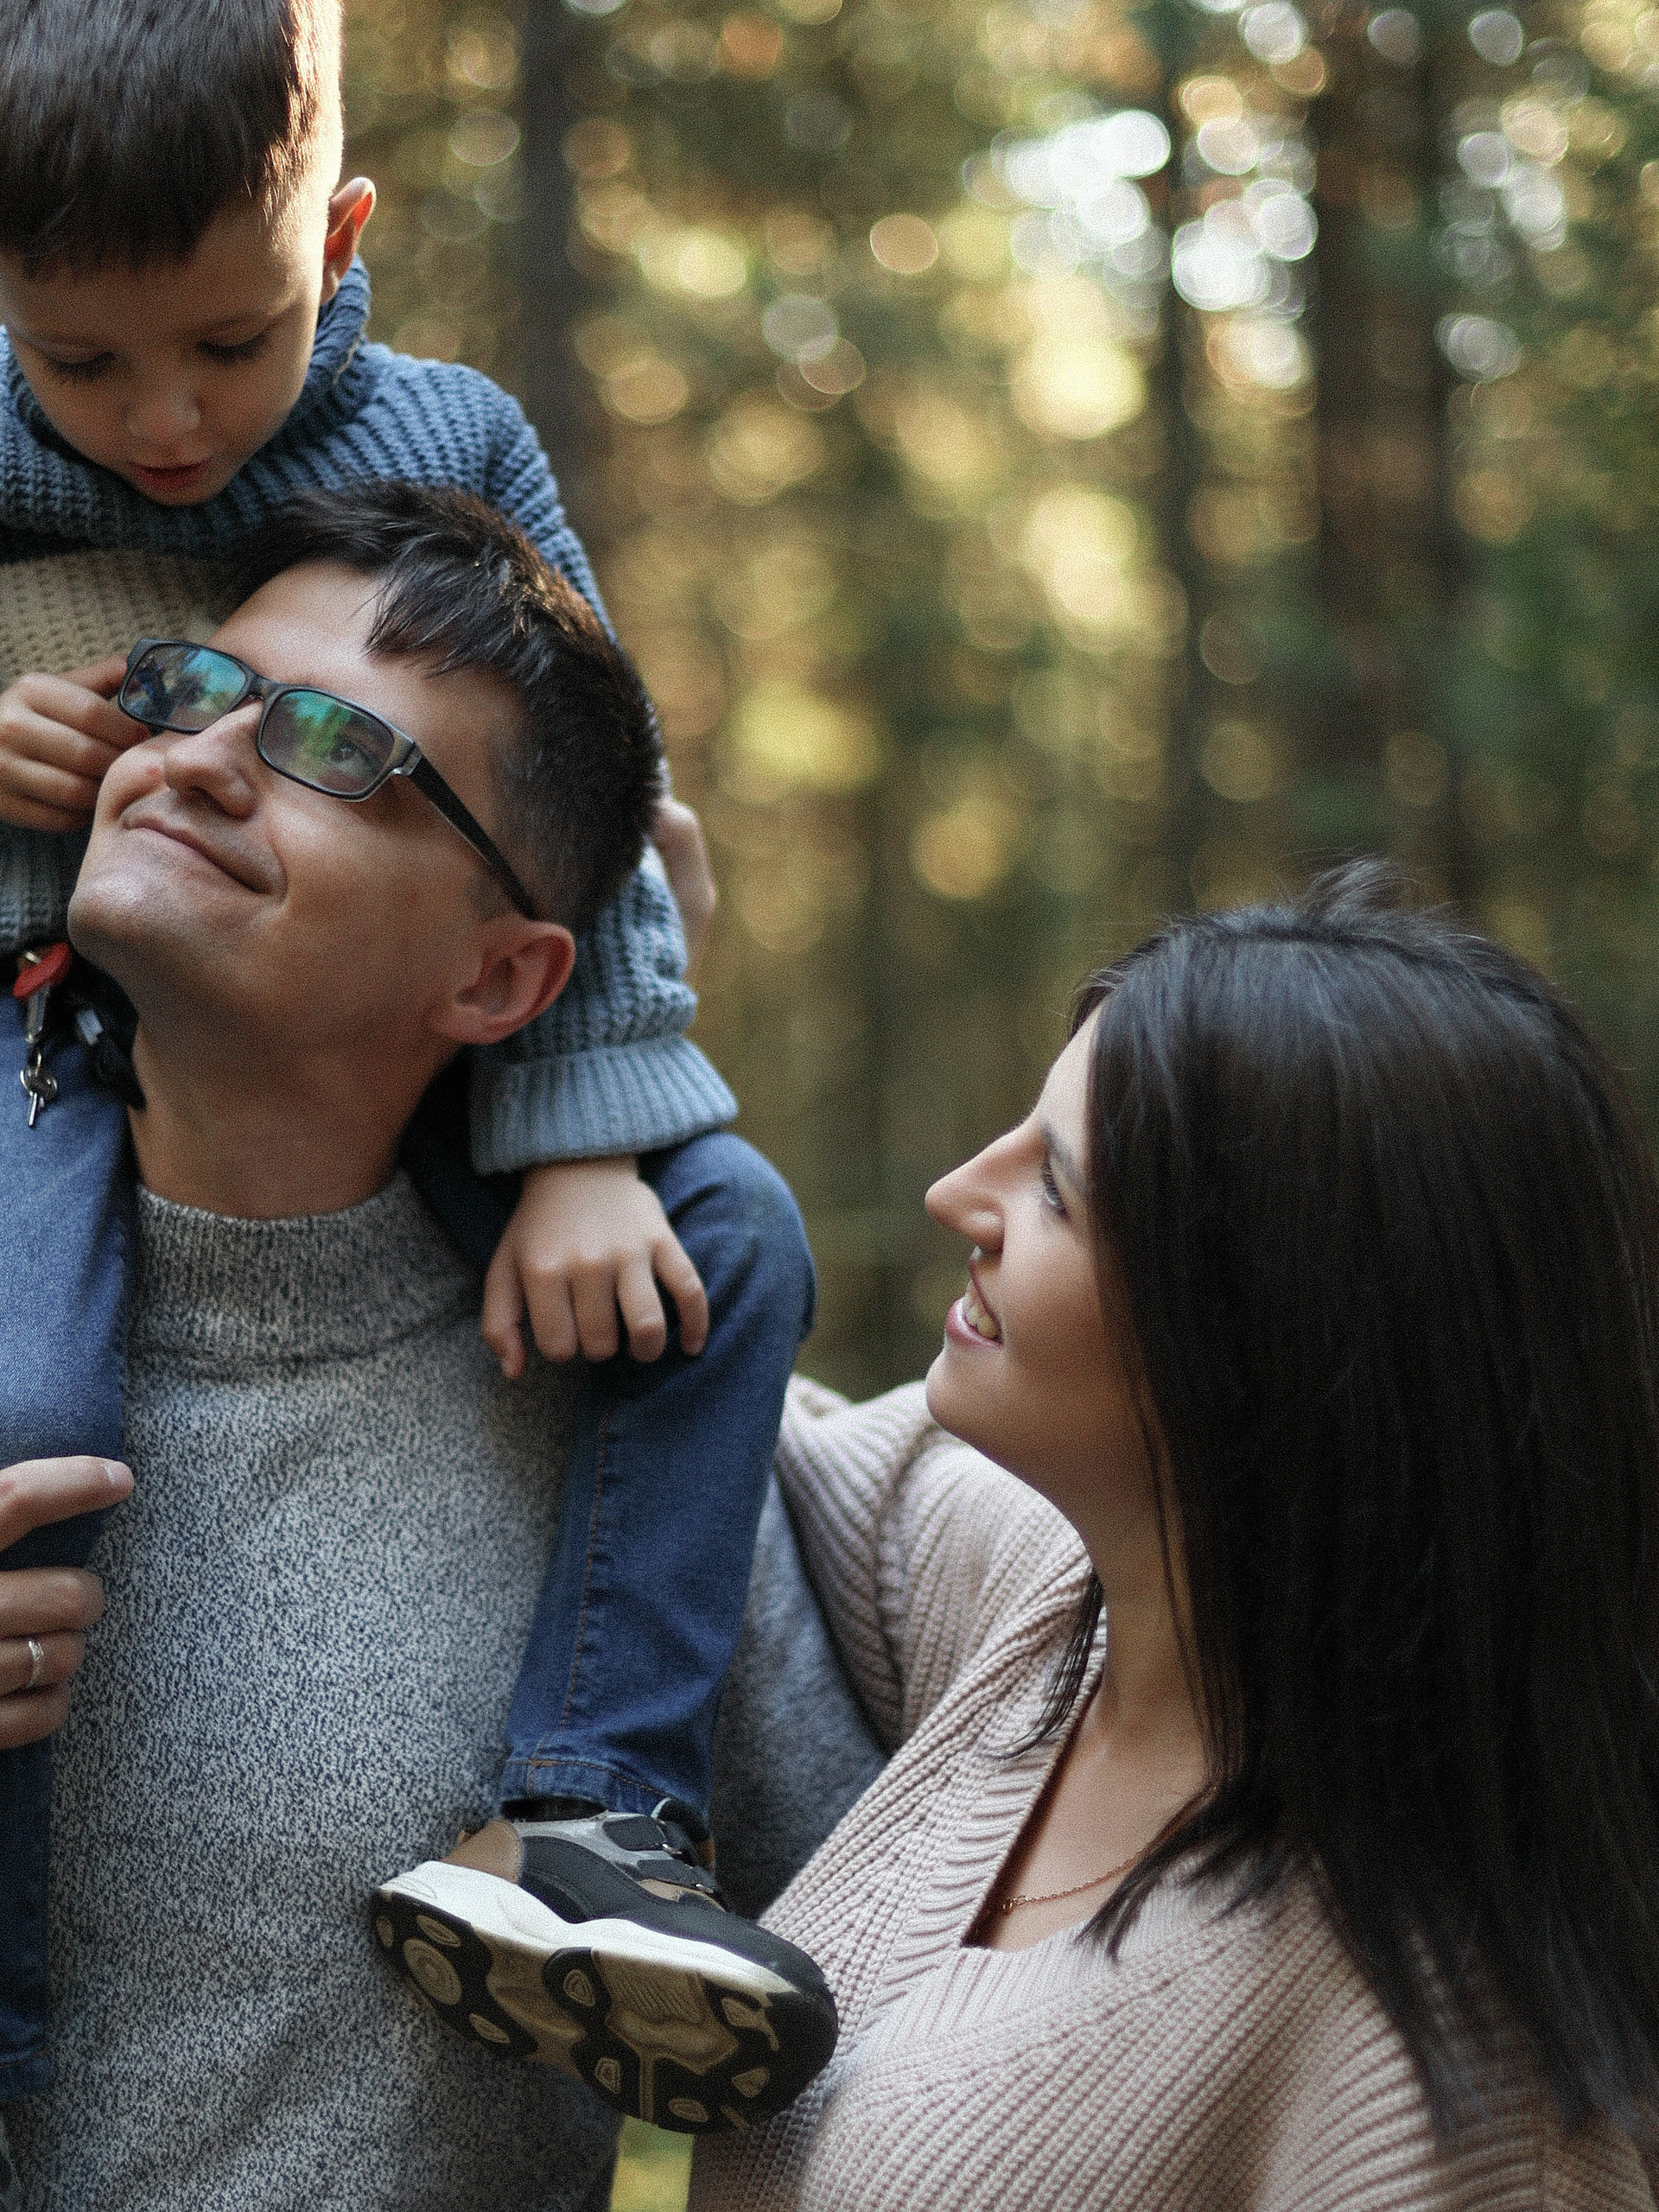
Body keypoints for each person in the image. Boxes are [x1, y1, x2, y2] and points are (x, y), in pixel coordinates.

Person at [0, 0, 822, 2155]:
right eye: (86, 362)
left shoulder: (449, 433)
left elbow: (588, 795)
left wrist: (586, 1128)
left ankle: (590, 1815)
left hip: (339, 1035)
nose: (167, 418)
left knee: (728, 1228)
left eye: (233, 343)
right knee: (8, 1405)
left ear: (340, 228)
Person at [0, 488, 881, 2212]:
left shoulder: (630, 1400)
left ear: (502, 976)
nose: (197, 760)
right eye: (197, 688)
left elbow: (880, 1978)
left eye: (339, 749)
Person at [693, 865, 1659, 2209]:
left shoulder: (1455, 2078)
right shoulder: (1049, 1610)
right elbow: (736, 1425)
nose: (955, 1194)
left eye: (1057, 1193)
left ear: (1270, 1325)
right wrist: (614, 1003)